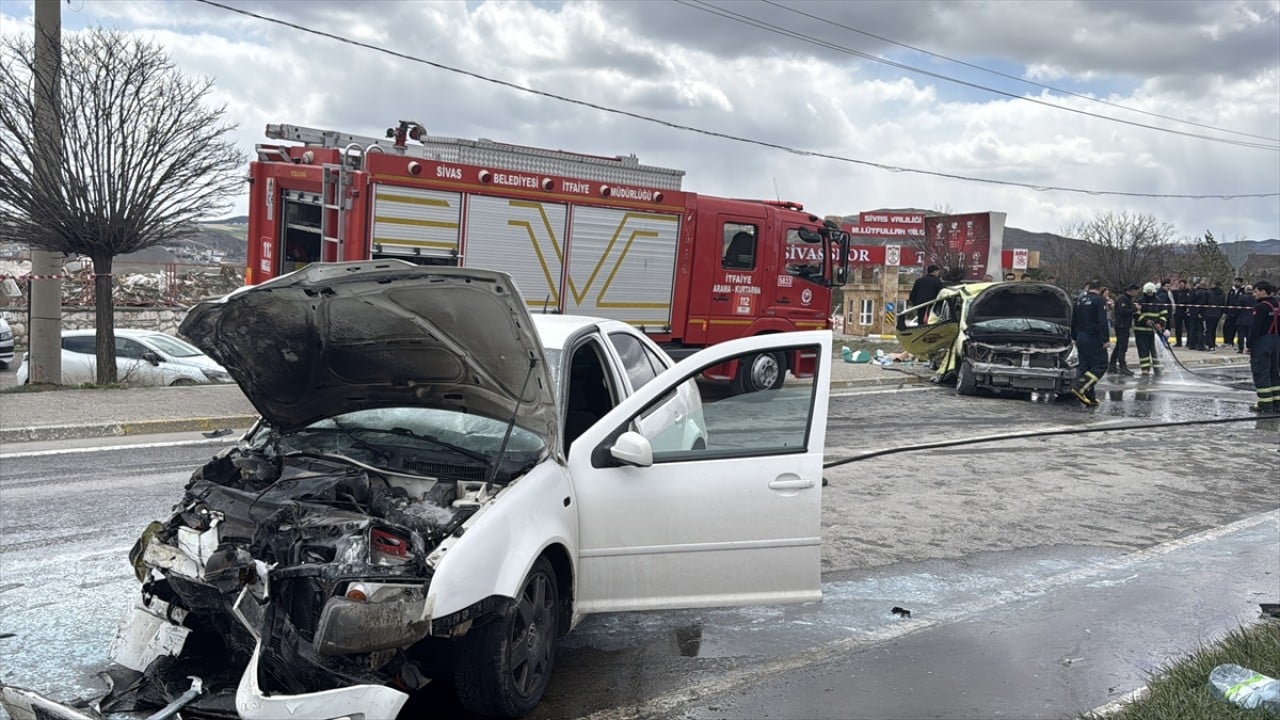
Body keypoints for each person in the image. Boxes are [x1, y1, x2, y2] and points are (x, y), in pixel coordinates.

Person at [1070, 279, 1109, 406]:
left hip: (1081, 337)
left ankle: (1090, 396)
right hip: (1094, 337)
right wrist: (1106, 339)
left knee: (1085, 366)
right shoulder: (1099, 301)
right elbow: (1103, 322)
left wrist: (1074, 337)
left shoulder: (1079, 301)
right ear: (1100, 288)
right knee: (1100, 365)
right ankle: (1079, 387)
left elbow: (1073, 320)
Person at [1246, 280, 1279, 413]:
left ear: (1263, 292)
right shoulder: (1277, 304)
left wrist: (1249, 345)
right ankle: (1277, 404)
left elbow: (1255, 328)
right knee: (1274, 373)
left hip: (1262, 343)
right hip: (1276, 341)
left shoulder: (1261, 307)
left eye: (1256, 291)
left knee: (1261, 373)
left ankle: (1265, 405)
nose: (1254, 294)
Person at [1134, 282, 1168, 376]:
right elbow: (1136, 314)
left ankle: (1158, 369)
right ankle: (1145, 370)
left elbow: (1164, 314)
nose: (1150, 294)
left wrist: (1160, 323)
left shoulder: (1159, 302)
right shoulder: (1139, 301)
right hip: (1141, 331)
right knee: (1143, 352)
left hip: (1154, 333)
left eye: (1151, 293)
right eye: (1148, 293)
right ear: (1145, 292)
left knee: (1155, 351)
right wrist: (1145, 321)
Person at [1108, 284, 1137, 376]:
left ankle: (1112, 365)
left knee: (1118, 346)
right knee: (1122, 346)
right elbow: (1124, 311)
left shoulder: (1127, 299)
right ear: (1131, 290)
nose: (1136, 293)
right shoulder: (1123, 299)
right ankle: (1122, 367)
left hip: (1124, 325)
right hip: (1121, 325)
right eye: (1136, 291)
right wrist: (1135, 309)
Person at [1223, 277, 1247, 351]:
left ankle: (1238, 344)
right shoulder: (1231, 291)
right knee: (1227, 328)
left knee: (1237, 329)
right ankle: (1228, 342)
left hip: (1239, 314)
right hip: (1230, 313)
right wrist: (1226, 311)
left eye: (1238, 282)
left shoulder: (1243, 291)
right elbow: (1228, 301)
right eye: (1235, 282)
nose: (1236, 283)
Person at [1202, 280, 1226, 351]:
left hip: (1208, 313)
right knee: (1213, 330)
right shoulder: (1223, 294)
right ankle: (1213, 343)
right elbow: (1223, 305)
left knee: (1208, 330)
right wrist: (1220, 314)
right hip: (1217, 314)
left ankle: (1209, 344)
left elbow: (1204, 303)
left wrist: (1204, 312)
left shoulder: (1209, 292)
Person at [1232, 283, 1254, 353]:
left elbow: (1237, 308)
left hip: (1241, 319)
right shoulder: (1255, 298)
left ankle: (1240, 348)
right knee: (1249, 335)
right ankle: (1249, 348)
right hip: (1252, 319)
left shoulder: (1242, 298)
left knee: (1241, 335)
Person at [1171, 279, 1190, 347]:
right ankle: (1178, 342)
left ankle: (1188, 342)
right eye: (1180, 284)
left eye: (1182, 284)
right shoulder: (1176, 292)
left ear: (1185, 284)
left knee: (1188, 328)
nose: (1181, 286)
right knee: (1178, 328)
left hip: (1186, 312)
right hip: (1178, 312)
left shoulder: (1189, 292)